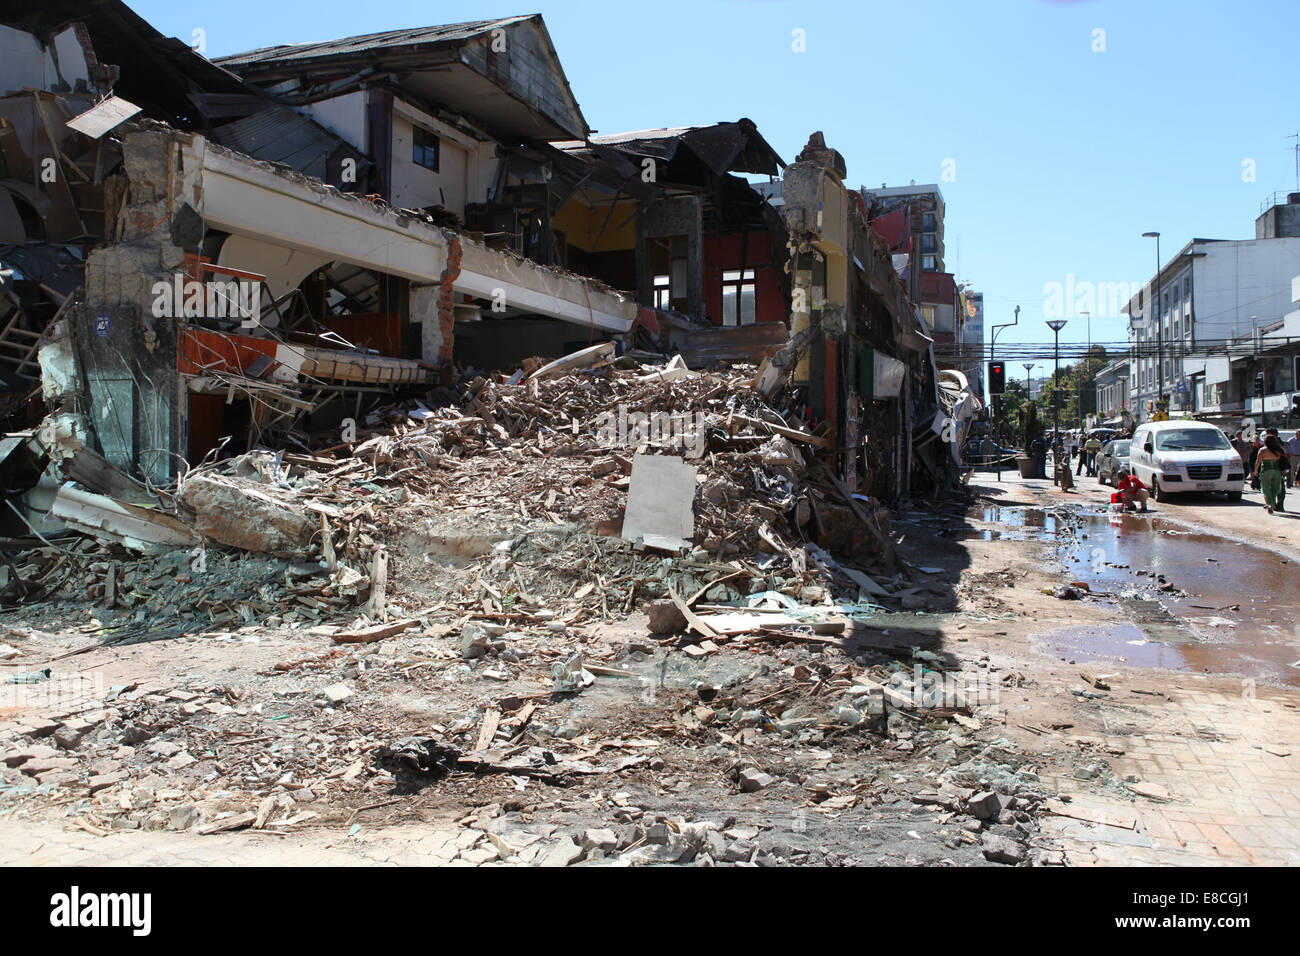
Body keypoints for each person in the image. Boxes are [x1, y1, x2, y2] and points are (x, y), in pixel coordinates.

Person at [1253, 433, 1287, 514]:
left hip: (1266, 471)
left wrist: (1256, 471)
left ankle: (1269, 504)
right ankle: (1272, 504)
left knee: (1266, 489)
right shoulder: (1280, 450)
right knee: (1275, 488)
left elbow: (1258, 462)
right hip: (1277, 471)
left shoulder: (1262, 450)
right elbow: (1284, 460)